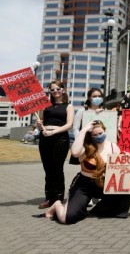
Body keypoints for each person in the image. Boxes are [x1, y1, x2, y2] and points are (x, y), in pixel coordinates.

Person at [36, 121, 130, 224]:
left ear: (105, 131)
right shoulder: (86, 147)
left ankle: (97, 210)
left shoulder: (113, 147)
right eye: (95, 135)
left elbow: (118, 169)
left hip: (104, 184)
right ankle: (57, 205)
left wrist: (125, 158)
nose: (98, 136)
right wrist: (84, 130)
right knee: (67, 218)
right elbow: (75, 153)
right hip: (84, 185)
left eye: (100, 133)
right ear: (90, 135)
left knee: (124, 193)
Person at [36, 80, 74, 209]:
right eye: (52, 90)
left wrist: (54, 132)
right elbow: (40, 122)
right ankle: (49, 198)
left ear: (63, 90)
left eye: (58, 89)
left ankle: (58, 198)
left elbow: (69, 125)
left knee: (57, 168)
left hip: (60, 139)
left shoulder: (68, 106)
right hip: (45, 138)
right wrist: (39, 126)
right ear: (49, 92)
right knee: (48, 169)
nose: (55, 91)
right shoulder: (44, 106)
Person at [71, 88, 104, 165]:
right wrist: (80, 141)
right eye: (94, 96)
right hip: (86, 143)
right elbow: (75, 128)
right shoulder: (82, 111)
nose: (97, 98)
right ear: (89, 98)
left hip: (100, 144)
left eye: (99, 96)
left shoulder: (105, 111)